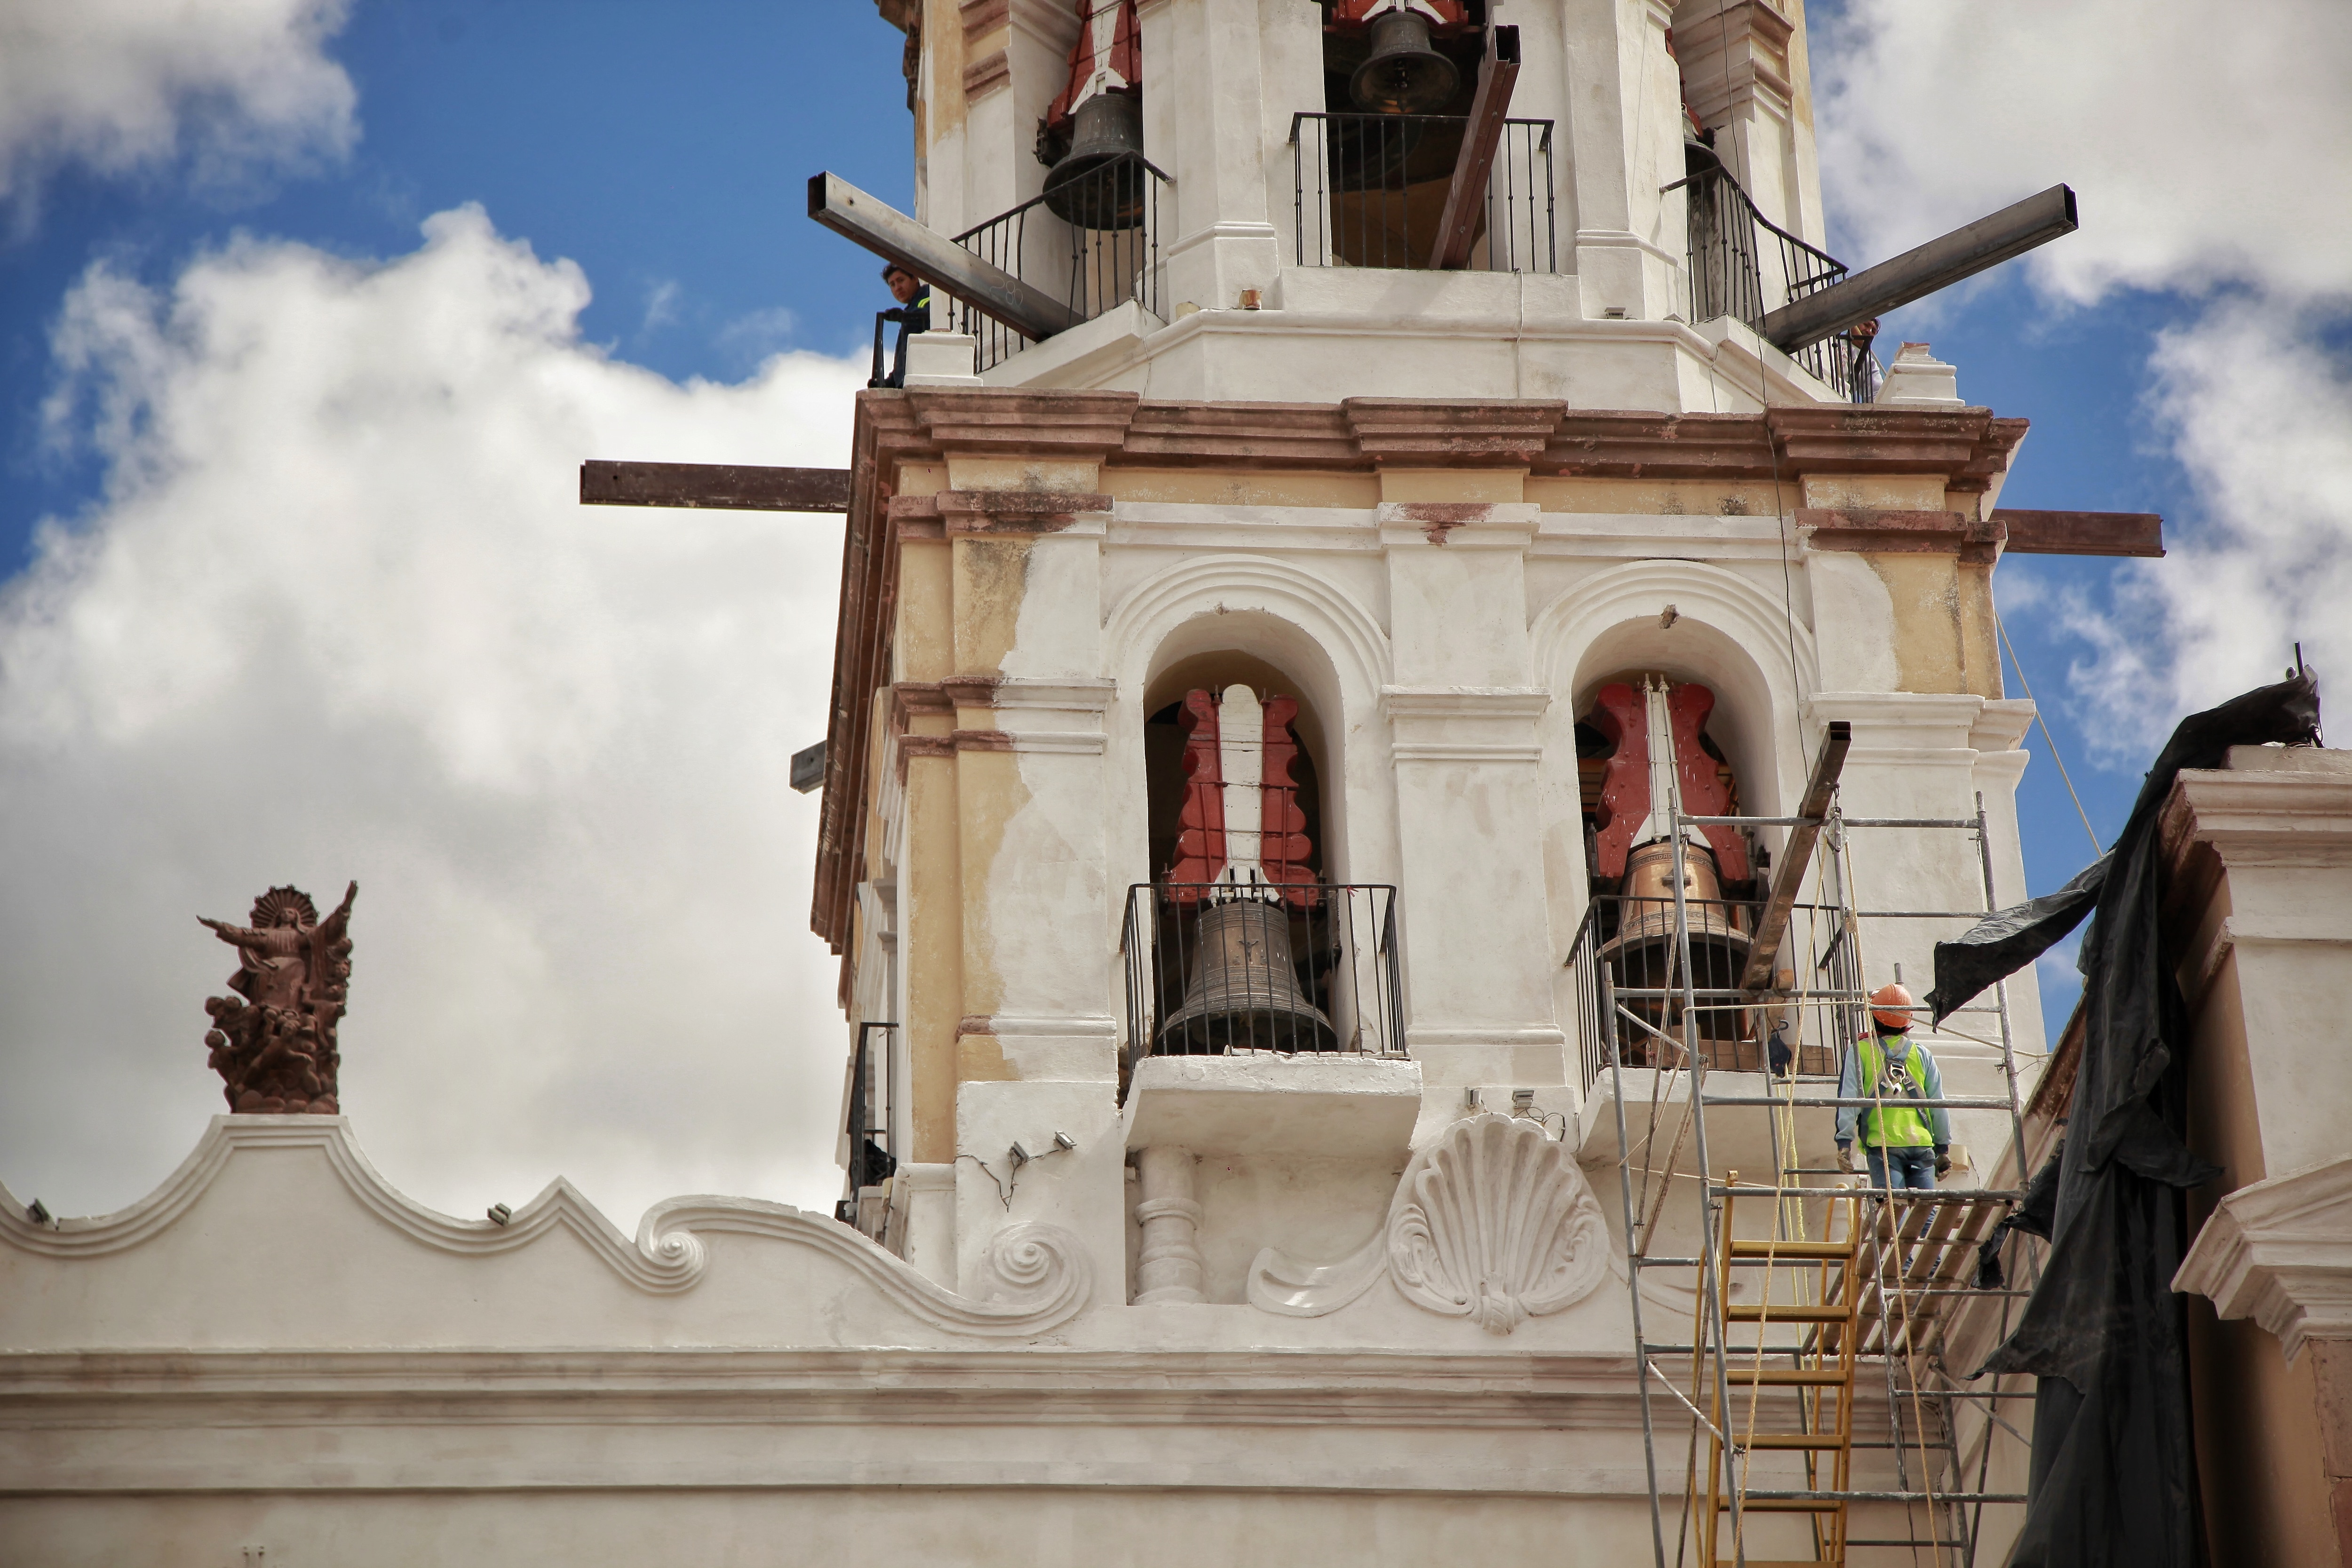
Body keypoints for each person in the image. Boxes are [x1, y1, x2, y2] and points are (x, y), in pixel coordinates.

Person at [1835, 981, 1951, 1190]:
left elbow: (1849, 1100)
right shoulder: (1922, 1054)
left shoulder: (1860, 1051)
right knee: (1924, 1206)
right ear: (1908, 1019)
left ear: (1874, 1016)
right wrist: (1942, 1149)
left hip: (1883, 1143)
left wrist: (1844, 1143)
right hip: (1921, 1144)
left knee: (1892, 1205)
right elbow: (1938, 1104)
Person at [871, 263, 932, 388]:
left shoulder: (929, 295)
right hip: (910, 379)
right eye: (892, 285)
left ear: (915, 278)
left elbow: (931, 317)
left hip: (924, 375)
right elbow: (904, 355)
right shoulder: (911, 308)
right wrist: (889, 382)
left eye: (901, 281)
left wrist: (904, 316)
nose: (897, 288)